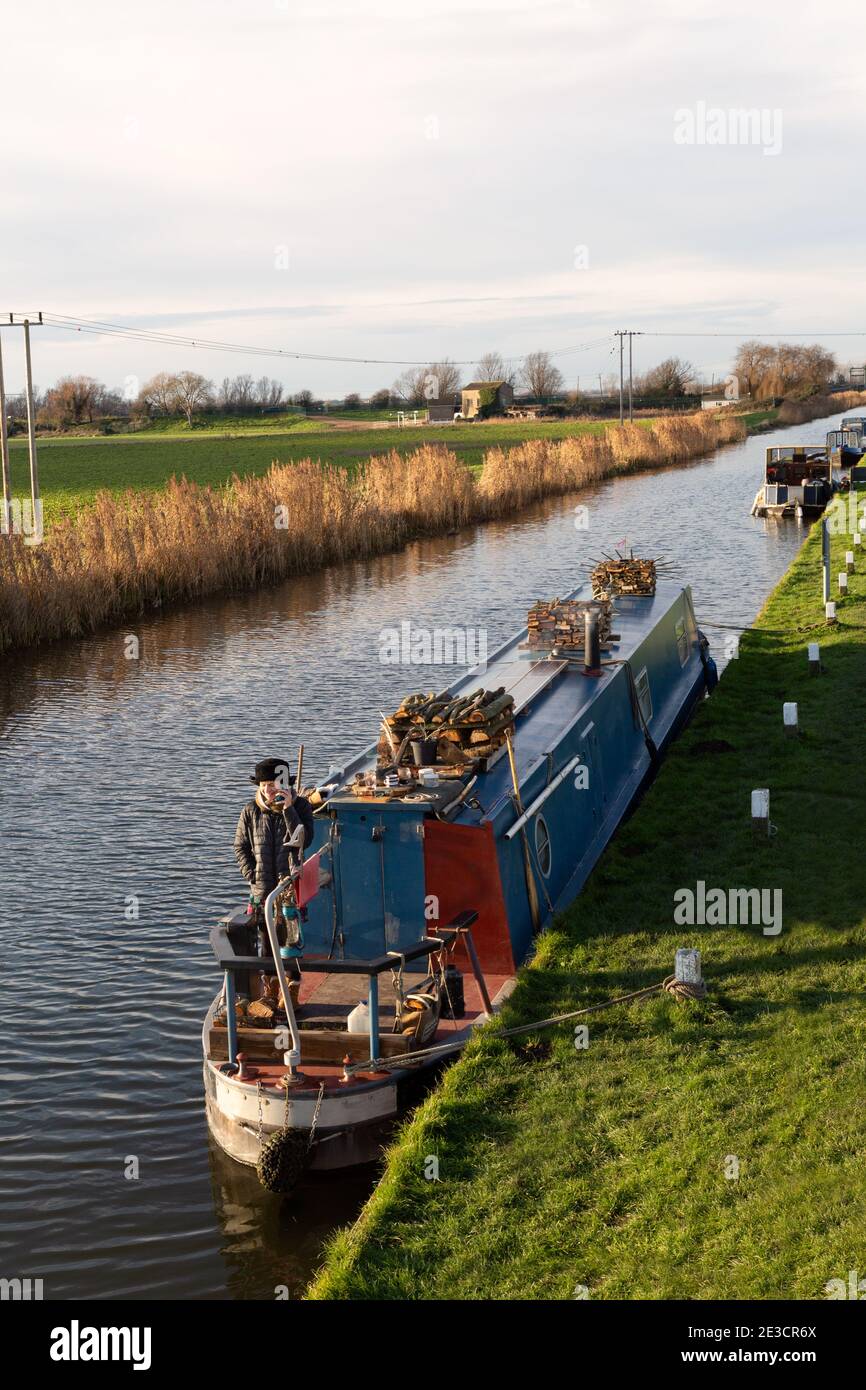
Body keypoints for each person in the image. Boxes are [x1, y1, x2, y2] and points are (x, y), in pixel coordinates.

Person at [234, 758, 315, 984]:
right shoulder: (250, 811)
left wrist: (288, 810)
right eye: (263, 785)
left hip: (288, 888)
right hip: (262, 887)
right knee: (267, 942)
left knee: (290, 941)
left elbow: (305, 840)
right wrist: (251, 873)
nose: (268, 790)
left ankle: (292, 991)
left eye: (272, 784)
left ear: (284, 785)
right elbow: (240, 846)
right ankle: (269, 993)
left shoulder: (301, 806)